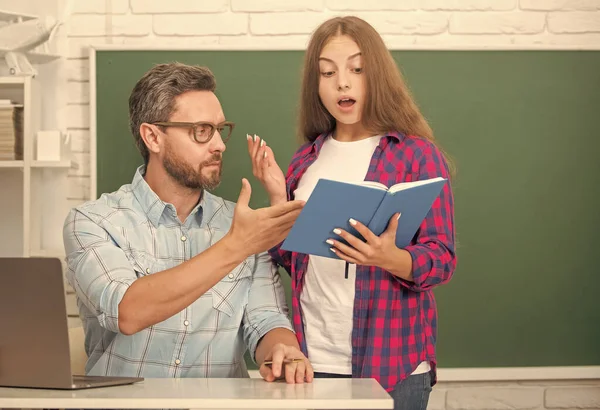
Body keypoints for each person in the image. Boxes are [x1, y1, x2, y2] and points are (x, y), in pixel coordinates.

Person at [247, 16, 456, 409]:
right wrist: (278, 197)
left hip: (393, 367)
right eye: (328, 72)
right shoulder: (306, 161)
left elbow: (442, 259)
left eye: (356, 69)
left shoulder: (415, 154)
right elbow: (294, 262)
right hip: (311, 363)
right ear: (317, 84)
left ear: (376, 75)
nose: (342, 82)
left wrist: (391, 259)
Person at [63, 63, 313, 384]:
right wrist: (236, 246)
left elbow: (265, 319)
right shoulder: (94, 221)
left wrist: (284, 351)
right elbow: (126, 311)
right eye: (201, 131)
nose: (220, 145)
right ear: (153, 137)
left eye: (220, 130)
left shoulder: (240, 224)